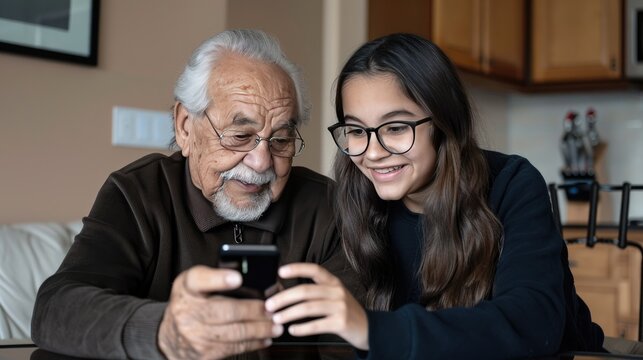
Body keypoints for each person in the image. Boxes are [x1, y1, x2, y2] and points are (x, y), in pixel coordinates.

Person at [264, 33, 605, 358]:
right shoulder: (355, 201)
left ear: (445, 123)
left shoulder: (512, 183)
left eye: (396, 128)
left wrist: (373, 329)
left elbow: (534, 322)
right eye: (356, 131)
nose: (372, 152)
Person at [31, 29, 361, 360]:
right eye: (240, 135)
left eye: (280, 140)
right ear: (185, 127)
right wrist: (165, 332)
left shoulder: (326, 207)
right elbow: (56, 310)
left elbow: (345, 346)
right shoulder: (139, 193)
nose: (262, 162)